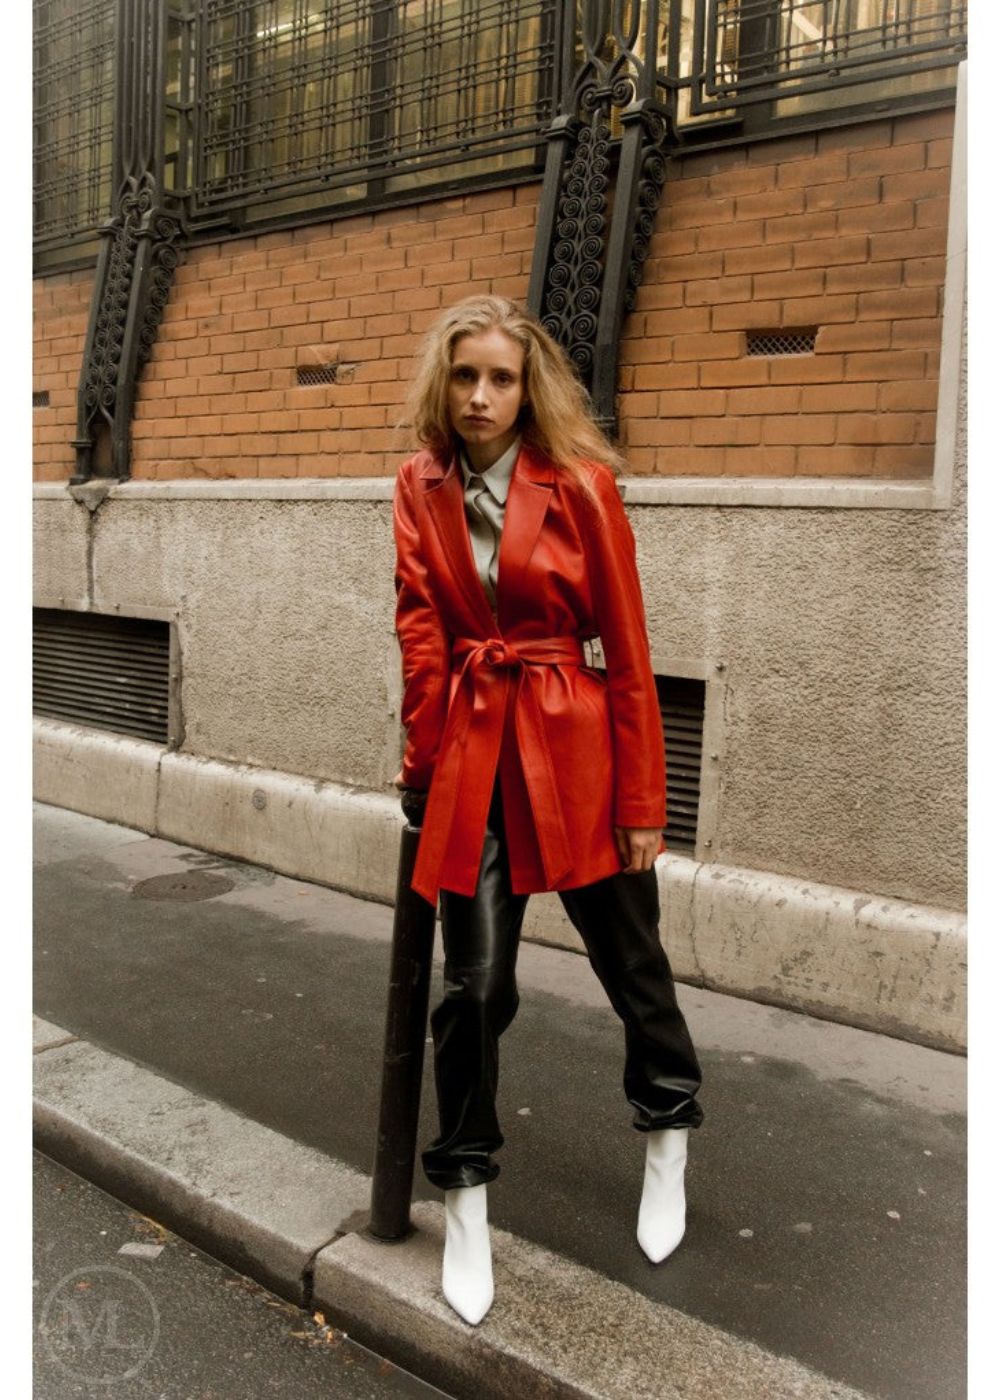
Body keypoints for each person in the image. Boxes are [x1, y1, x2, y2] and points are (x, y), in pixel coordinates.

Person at [391, 295, 703, 1327]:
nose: (481, 396)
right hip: (474, 756)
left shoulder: (580, 485)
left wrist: (643, 800)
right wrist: (421, 772)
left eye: (501, 377)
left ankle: (666, 1131)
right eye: (466, 375)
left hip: (575, 753)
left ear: (530, 388)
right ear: (444, 380)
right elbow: (423, 633)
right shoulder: (416, 484)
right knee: (472, 984)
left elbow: (628, 648)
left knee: (632, 964)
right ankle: (466, 1193)